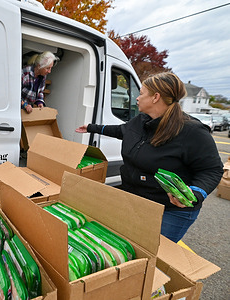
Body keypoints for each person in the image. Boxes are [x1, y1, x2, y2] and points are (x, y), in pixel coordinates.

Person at [75, 72, 223, 242]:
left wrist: (195, 194)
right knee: (129, 246)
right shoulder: (141, 121)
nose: (137, 98)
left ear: (155, 97)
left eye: (141, 93)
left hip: (170, 211)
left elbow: (212, 170)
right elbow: (122, 131)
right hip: (136, 200)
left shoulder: (192, 131)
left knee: (154, 256)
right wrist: (91, 127)